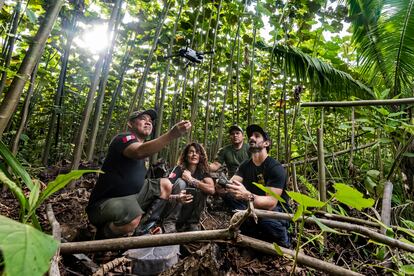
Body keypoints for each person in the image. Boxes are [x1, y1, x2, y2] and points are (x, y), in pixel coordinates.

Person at [86, 109, 192, 239]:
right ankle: (101, 237)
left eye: (150, 121)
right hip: (104, 204)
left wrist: (176, 197)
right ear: (130, 123)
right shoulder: (123, 139)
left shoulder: (144, 157)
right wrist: (171, 134)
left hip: (131, 197)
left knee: (165, 184)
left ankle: (142, 230)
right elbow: (138, 151)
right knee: (133, 217)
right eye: (143, 118)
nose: (148, 122)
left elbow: (150, 193)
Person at [224, 124, 290, 247]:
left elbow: (271, 202)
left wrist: (247, 195)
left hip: (276, 211)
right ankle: (252, 231)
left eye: (257, 136)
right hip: (253, 206)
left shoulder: (275, 168)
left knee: (267, 223)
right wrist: (222, 183)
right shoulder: (245, 165)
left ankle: (285, 242)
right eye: (250, 136)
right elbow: (232, 184)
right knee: (228, 196)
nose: (252, 138)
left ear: (266, 143)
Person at [162, 142, 215, 233]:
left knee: (202, 187)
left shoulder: (202, 171)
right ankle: (169, 221)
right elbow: (165, 190)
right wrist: (177, 197)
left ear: (200, 156)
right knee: (181, 182)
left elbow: (211, 190)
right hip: (174, 207)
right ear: (186, 156)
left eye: (197, 152)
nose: (194, 154)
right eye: (191, 152)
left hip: (190, 213)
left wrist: (191, 180)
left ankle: (192, 223)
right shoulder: (179, 169)